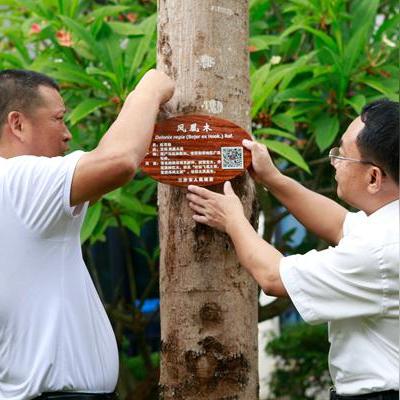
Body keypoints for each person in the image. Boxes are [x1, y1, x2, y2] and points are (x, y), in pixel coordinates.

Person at [187, 100, 399, 400]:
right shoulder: (387, 225)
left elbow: (273, 277)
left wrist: (233, 220)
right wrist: (273, 178)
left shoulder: (379, 250)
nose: (334, 161)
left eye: (342, 156)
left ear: (374, 177)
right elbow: (339, 225)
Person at [0, 69, 174, 400]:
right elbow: (118, 162)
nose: (67, 134)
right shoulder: (16, 181)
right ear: (17, 124)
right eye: (58, 119)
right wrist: (147, 91)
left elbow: (99, 174)